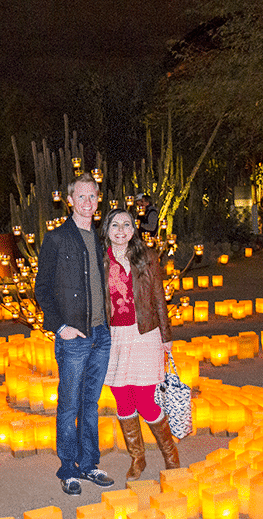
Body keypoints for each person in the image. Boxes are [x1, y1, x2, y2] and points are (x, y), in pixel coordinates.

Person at [34, 173, 116, 496]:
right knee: (69, 404)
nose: (87, 203)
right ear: (69, 200)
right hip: (74, 336)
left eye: (92, 197)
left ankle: (89, 463)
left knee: (91, 403)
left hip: (100, 333)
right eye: (80, 197)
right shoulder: (56, 239)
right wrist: (60, 326)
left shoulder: (100, 238)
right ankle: (68, 468)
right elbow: (41, 288)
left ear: (98, 201)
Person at [101, 208, 179, 482]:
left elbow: (159, 297)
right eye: (115, 225)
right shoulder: (100, 261)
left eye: (126, 224)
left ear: (134, 229)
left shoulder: (146, 257)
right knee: (122, 398)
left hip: (144, 333)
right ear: (107, 230)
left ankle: (170, 454)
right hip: (114, 338)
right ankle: (138, 457)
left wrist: (166, 335)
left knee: (145, 400)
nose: (120, 230)